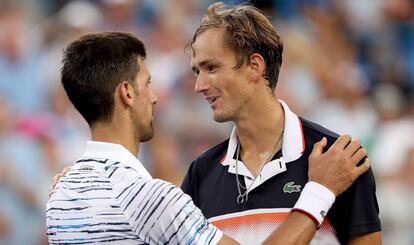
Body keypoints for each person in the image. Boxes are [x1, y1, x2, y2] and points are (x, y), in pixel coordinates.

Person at [46, 32, 370, 245]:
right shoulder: (151, 197)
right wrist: (320, 192)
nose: (155, 96)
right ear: (127, 93)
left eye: (210, 68)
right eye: (147, 83)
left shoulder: (59, 196)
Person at [182, 2, 381, 245]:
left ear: (254, 67)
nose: (199, 85)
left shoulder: (340, 158)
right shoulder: (200, 174)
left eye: (211, 68)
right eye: (196, 72)